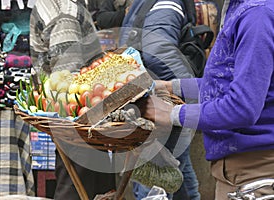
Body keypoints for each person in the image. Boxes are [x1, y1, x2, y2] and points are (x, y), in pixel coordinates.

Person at [135, 0, 274, 199]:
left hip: (254, 173)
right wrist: (170, 87)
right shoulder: (242, 9)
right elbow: (224, 83)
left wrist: (172, 114)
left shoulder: (257, 15)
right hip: (236, 172)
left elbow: (242, 107)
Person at [29, 0, 116, 199]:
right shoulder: (65, 12)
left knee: (90, 184)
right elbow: (69, 75)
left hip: (75, 111)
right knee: (78, 184)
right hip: (79, 116)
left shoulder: (57, 5)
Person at [119, 0, 201, 199]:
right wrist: (189, 94)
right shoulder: (166, 2)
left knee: (173, 170)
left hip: (157, 103)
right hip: (158, 108)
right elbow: (157, 50)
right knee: (156, 180)